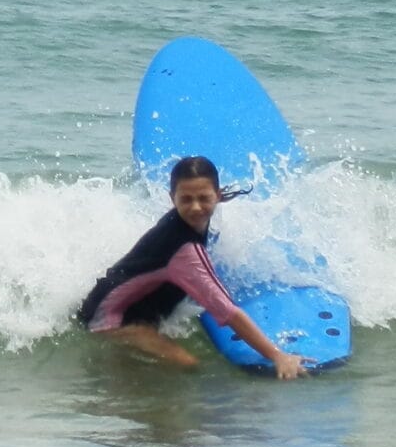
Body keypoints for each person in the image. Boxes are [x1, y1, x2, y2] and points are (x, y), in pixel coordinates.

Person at [79, 154, 308, 379]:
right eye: (186, 199)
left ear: (218, 195)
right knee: (188, 365)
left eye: (204, 198)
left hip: (127, 304)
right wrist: (277, 356)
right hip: (109, 320)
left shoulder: (187, 221)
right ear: (172, 198)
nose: (196, 207)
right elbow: (228, 313)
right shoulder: (185, 251)